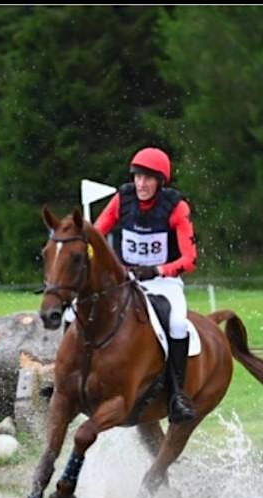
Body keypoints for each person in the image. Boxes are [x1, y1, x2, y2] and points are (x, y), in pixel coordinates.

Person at [92, 146, 198, 423]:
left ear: (160, 181)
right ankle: (65, 375)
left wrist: (158, 269)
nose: (141, 184)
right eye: (138, 177)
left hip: (165, 283)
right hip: (125, 281)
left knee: (177, 323)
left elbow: (190, 259)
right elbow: (95, 234)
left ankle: (177, 395)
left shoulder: (176, 208)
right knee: (77, 310)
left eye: (148, 178)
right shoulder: (121, 200)